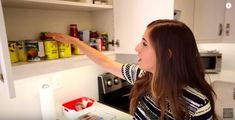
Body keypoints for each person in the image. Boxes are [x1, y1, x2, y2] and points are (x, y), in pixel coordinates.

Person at [47, 19, 218, 120]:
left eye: (144, 44)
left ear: (166, 55)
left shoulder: (197, 104)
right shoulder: (142, 76)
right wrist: (75, 42)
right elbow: (105, 62)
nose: (137, 48)